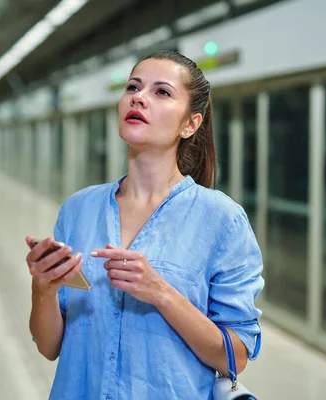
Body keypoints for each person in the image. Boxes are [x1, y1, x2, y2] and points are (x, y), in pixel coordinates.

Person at [25, 50, 264, 399]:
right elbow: (49, 347)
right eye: (133, 87)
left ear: (190, 124)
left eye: (161, 92)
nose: (139, 97)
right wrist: (42, 289)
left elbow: (234, 358)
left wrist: (160, 292)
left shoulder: (221, 219)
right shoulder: (79, 209)